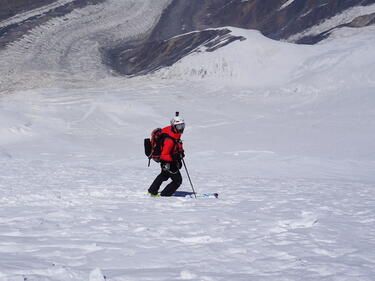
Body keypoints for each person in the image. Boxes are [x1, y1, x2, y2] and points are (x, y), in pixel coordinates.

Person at [148, 114, 185, 197]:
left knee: (164, 175)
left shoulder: (173, 134)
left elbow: (177, 146)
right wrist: (175, 157)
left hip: (168, 162)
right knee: (177, 181)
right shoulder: (169, 139)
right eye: (179, 126)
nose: (181, 128)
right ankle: (165, 195)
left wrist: (181, 152)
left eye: (182, 126)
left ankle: (152, 190)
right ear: (173, 126)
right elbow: (164, 155)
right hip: (168, 162)